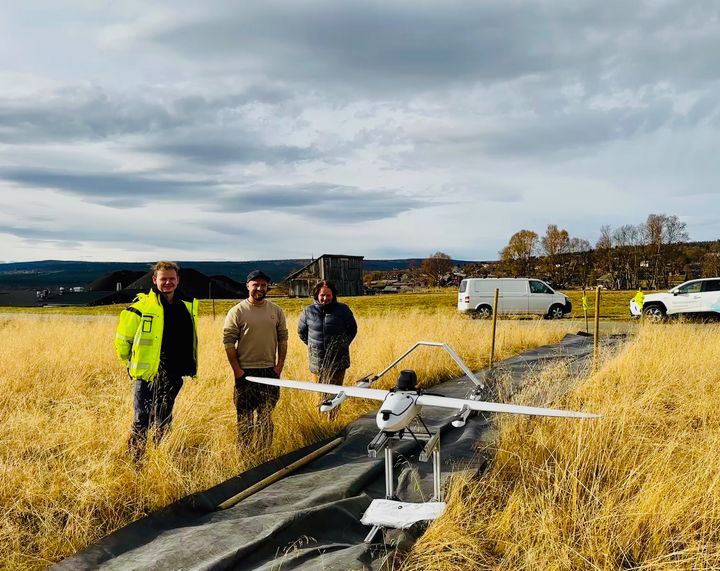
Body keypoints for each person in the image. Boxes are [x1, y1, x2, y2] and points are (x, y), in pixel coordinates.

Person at [114, 261, 198, 460]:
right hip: (147, 375)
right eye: (163, 279)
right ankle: (136, 462)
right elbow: (122, 342)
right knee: (141, 420)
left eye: (171, 278)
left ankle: (161, 460)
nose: (167, 282)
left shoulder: (185, 306)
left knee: (164, 420)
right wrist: (130, 364)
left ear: (178, 281)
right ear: (154, 280)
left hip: (174, 373)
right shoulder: (140, 307)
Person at [223, 270, 288, 449]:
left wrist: (279, 367)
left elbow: (283, 338)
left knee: (266, 416)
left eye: (263, 285)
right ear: (248, 286)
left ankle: (263, 452)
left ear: (267, 287)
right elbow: (228, 341)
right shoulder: (237, 311)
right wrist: (237, 370)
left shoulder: (276, 311)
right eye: (255, 284)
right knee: (244, 417)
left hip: (269, 371)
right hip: (246, 373)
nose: (259, 288)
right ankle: (244, 454)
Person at [298, 280, 358, 420]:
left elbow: (352, 330)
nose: (325, 298)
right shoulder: (308, 311)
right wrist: (314, 347)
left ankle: (334, 421)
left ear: (333, 295)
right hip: (317, 362)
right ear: (316, 295)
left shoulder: (343, 310)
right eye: (322, 295)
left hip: (338, 362)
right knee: (320, 394)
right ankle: (322, 422)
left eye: (328, 295)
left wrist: (341, 345)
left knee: (336, 395)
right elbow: (302, 332)